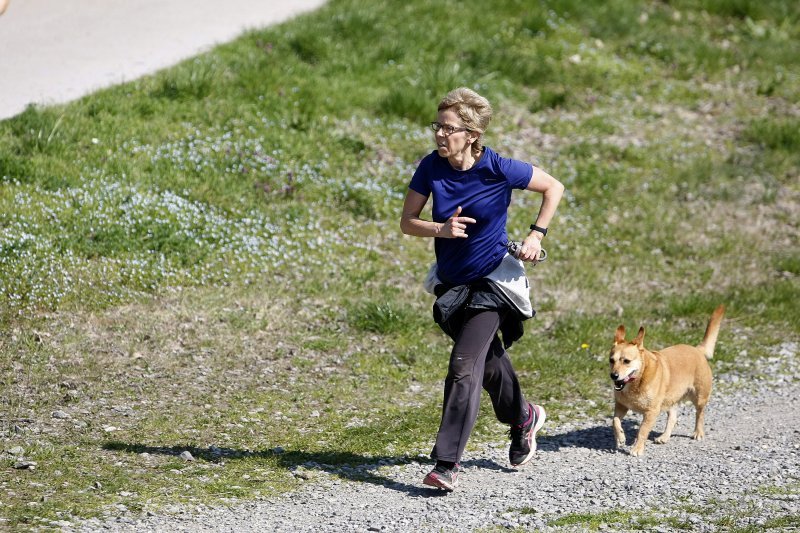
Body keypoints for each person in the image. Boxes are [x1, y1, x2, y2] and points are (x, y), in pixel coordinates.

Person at [400, 87, 564, 491]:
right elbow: (407, 221)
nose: (439, 134)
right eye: (436, 126)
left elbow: (553, 188)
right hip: (453, 284)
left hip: (493, 282)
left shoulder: (498, 167)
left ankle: (446, 464)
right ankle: (524, 417)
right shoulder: (430, 168)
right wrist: (440, 229)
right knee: (486, 363)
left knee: (462, 365)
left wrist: (536, 235)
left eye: (448, 128)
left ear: (471, 133)